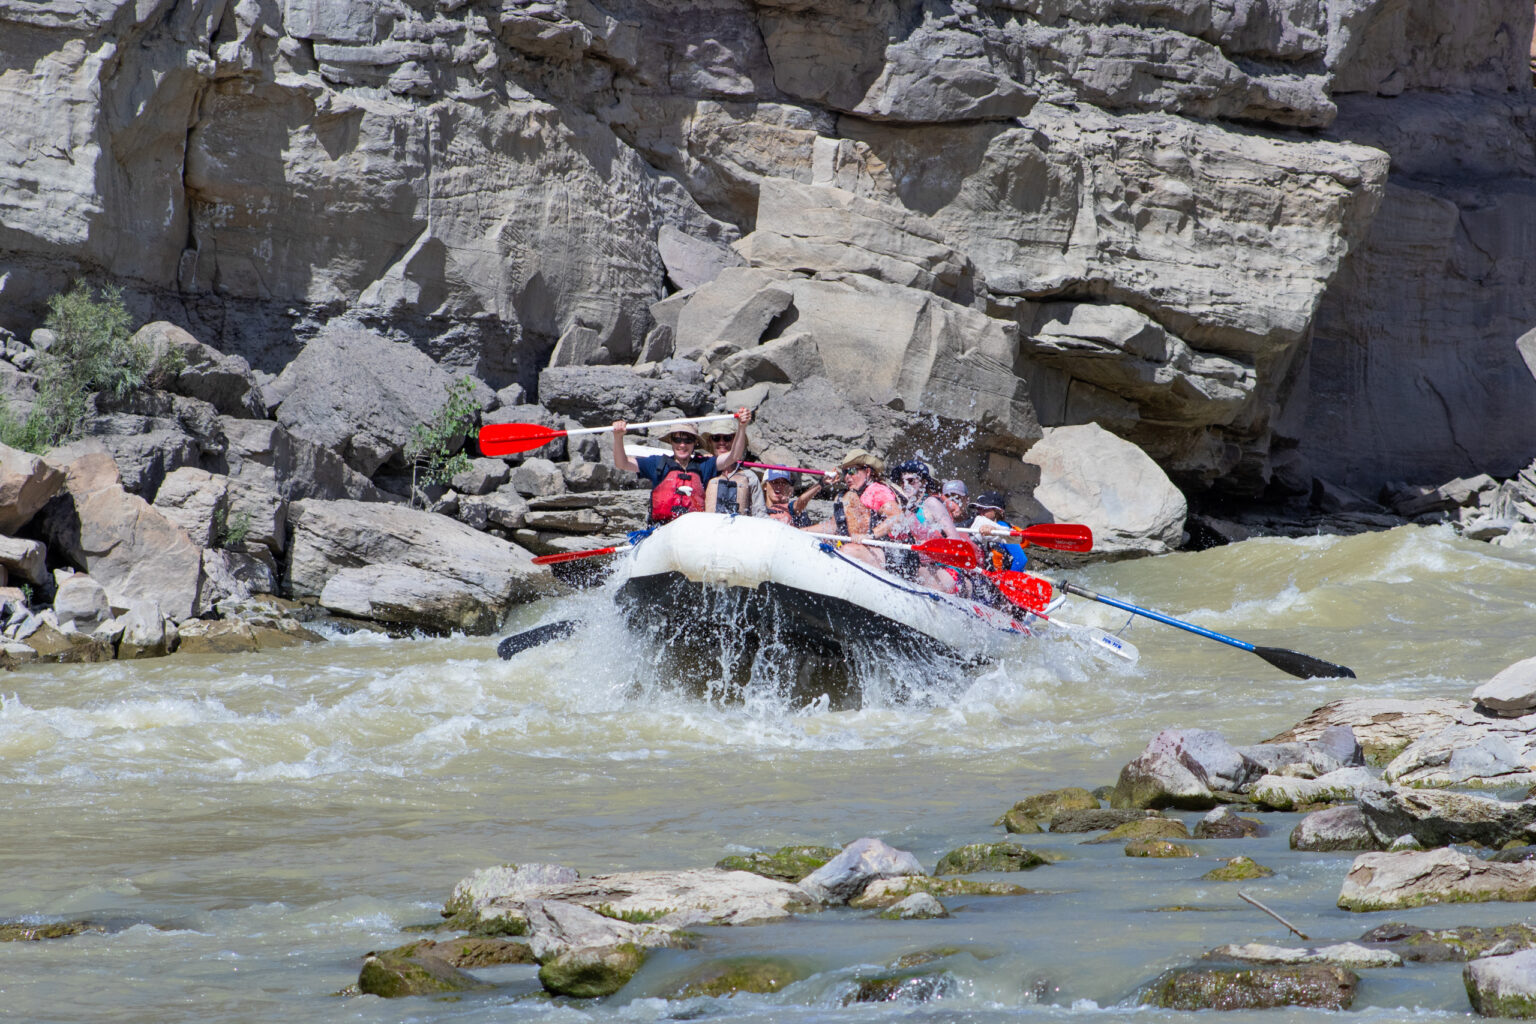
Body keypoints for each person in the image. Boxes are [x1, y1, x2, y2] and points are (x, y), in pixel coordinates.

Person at [610, 408, 751, 524]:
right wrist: (618, 437)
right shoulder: (657, 463)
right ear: (671, 441)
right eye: (677, 439)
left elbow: (734, 456)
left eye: (688, 440)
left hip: (692, 531)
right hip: (661, 529)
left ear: (695, 443)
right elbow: (621, 463)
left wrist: (741, 426)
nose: (682, 445)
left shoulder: (705, 465)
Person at [802, 449, 899, 569]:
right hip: (862, 549)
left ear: (867, 472)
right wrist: (801, 532)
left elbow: (896, 517)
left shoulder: (877, 491)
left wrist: (870, 535)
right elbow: (833, 526)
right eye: (845, 472)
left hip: (884, 554)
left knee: (848, 550)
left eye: (852, 471)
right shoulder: (848, 496)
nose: (847, 476)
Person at [703, 426, 767, 516]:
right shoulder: (703, 470)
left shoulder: (750, 476)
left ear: (735, 441)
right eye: (716, 438)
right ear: (710, 441)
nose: (722, 443)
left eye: (727, 438)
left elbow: (760, 513)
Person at [968, 490, 1029, 571]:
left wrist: (1008, 581)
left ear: (998, 511)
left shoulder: (1002, 526)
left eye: (984, 509)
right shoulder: (978, 525)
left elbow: (1021, 560)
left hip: (1006, 579)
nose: (980, 513)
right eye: (978, 508)